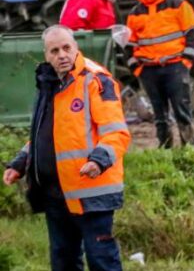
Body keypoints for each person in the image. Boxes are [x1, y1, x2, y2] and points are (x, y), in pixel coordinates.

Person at [3, 25, 130, 271]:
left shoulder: (96, 80)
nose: (61, 55)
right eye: (54, 51)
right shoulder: (48, 83)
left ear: (75, 47)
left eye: (66, 48)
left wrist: (98, 161)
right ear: (46, 55)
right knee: (63, 261)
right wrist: (21, 162)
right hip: (55, 193)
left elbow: (117, 133)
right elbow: (45, 135)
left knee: (101, 260)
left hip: (92, 191)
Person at [126, 0, 194, 148]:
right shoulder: (135, 13)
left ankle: (189, 148)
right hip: (149, 69)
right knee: (159, 113)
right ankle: (165, 147)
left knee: (181, 109)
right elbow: (129, 44)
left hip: (175, 66)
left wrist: (186, 62)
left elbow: (193, 33)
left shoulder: (178, 5)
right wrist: (137, 68)